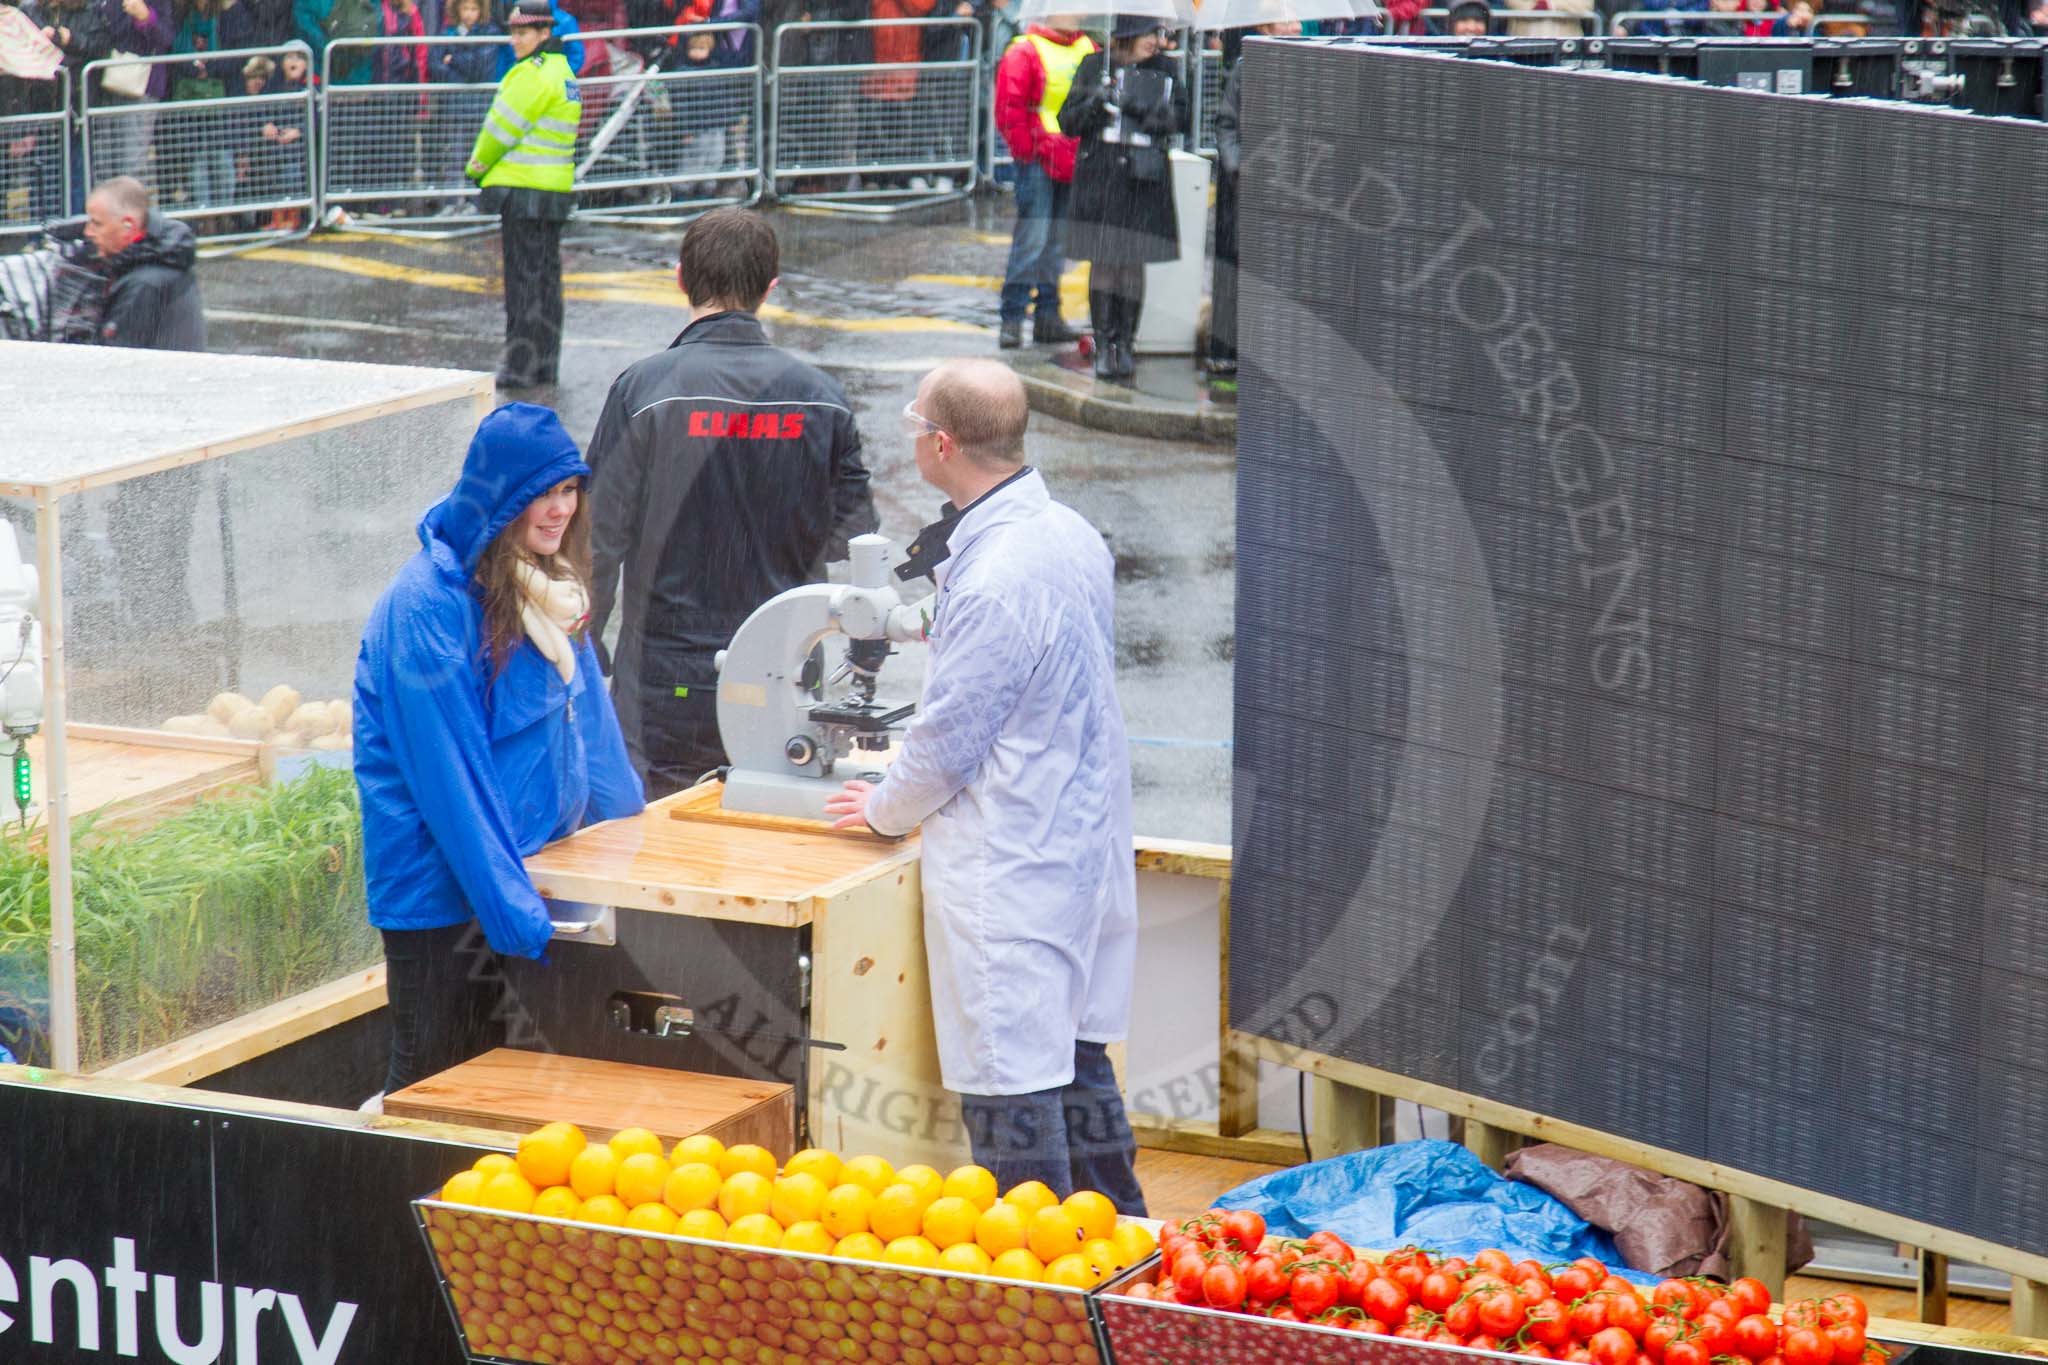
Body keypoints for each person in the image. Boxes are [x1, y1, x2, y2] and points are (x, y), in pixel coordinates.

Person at [823, 359, 1141, 1212]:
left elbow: (948, 740)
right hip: (1072, 845)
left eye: (914, 425)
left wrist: (883, 809)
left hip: (1013, 864)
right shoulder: (1069, 533)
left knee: (1016, 1094)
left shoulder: (998, 577)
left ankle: (1048, 1301)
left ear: (941, 443)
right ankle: (1135, 1263)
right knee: (1077, 1066)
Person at [354, 403, 646, 1094]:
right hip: (445, 902)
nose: (558, 510)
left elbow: (592, 728)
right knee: (435, 1085)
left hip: (524, 877)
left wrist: (639, 852)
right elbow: (453, 781)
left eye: (568, 490)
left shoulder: (545, 590)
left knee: (502, 1096)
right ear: (497, 498)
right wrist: (516, 915)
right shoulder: (425, 606)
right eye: (539, 494)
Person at [585, 208, 878, 797]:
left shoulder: (643, 390)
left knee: (661, 849)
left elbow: (598, 538)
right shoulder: (821, 398)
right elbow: (857, 533)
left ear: (680, 280)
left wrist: (587, 645)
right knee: (774, 828)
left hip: (667, 672)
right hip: (786, 661)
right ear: (769, 290)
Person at [1057, 15, 1186, 384]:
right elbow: (1067, 121)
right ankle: (1104, 342)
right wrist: (1097, 102)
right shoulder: (1095, 65)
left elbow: (1181, 119)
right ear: (1128, 35)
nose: (1156, 41)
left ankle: (1126, 343)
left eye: (1158, 33)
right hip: (1101, 174)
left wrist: (1148, 111)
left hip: (1144, 177)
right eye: (1149, 33)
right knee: (1104, 260)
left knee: (1132, 261)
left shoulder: (1166, 68)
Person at [467, 0, 578, 388]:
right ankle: (545, 362)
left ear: (544, 33)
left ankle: (519, 367)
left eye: (522, 32)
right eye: (513, 31)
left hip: (523, 190)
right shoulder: (562, 72)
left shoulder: (528, 76)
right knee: (547, 281)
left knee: (523, 284)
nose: (514, 39)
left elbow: (498, 131)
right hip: (554, 191)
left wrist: (476, 168)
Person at [1206, 16, 1297, 384]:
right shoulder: (1245, 68)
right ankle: (1228, 352)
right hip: (1244, 184)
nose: (1293, 27)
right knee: (1237, 269)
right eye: (1284, 20)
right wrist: (1238, 168)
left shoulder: (1309, 66)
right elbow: (1226, 124)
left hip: (1287, 184)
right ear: (1264, 28)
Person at [992, 10, 1090, 350]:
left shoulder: (1087, 49)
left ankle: (1047, 315)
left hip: (1069, 154)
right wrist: (1028, 150)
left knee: (1056, 241)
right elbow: (1010, 107)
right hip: (1039, 157)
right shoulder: (1025, 49)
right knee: (1033, 239)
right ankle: (1013, 317)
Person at [430, 0, 498, 197]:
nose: (469, 14)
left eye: (473, 9)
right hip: (454, 106)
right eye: (465, 8)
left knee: (476, 157)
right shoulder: (447, 33)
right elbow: (436, 66)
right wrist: (461, 73)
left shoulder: (489, 32)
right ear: (457, 10)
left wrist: (453, 60)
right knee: (453, 157)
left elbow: (481, 68)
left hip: (477, 106)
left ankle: (475, 201)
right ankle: (452, 202)